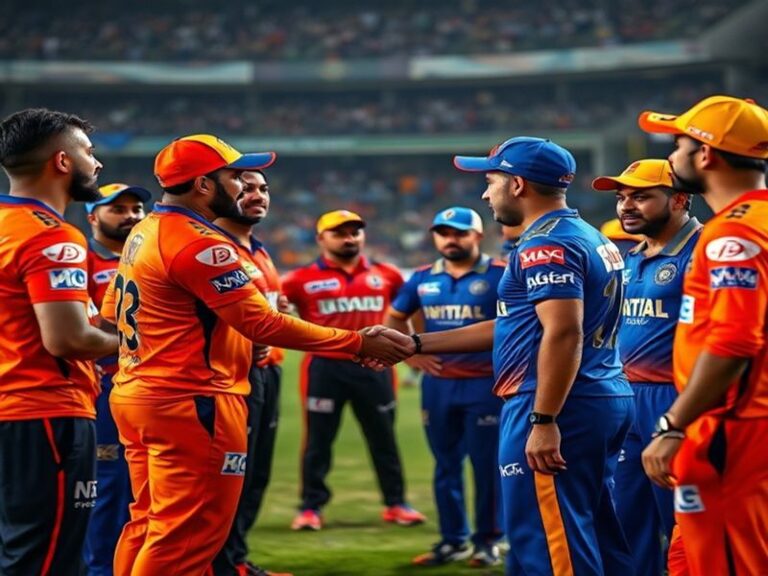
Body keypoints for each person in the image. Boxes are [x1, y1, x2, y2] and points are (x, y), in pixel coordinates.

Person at [100, 134, 412, 576]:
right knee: (186, 533)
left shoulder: (144, 232)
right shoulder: (201, 243)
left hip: (141, 392)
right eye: (234, 177)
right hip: (193, 400)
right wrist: (358, 342)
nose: (244, 187)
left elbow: (113, 315)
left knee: (148, 521)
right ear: (204, 185)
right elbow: (262, 324)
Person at [406, 137, 635, 575]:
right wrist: (418, 343)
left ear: (517, 185)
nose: (484, 193)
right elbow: (518, 324)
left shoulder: (544, 245)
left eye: (491, 181)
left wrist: (544, 419)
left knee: (548, 541)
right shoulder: (584, 233)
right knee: (594, 531)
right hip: (598, 393)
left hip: (555, 401)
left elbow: (563, 331)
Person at [639, 95, 768, 575]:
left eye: (677, 144)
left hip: (730, 428)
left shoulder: (733, 236)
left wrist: (673, 425)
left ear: (706, 155)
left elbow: (735, 342)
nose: (671, 156)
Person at [0, 108, 119, 575]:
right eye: (88, 152)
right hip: (44, 413)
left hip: (11, 412)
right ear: (63, 162)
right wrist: (141, 340)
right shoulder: (52, 238)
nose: (98, 163)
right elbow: (69, 339)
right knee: (49, 558)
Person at [282, 209, 427, 531]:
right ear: (321, 239)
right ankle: (310, 507)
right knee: (319, 441)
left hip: (376, 369)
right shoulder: (299, 279)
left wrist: (417, 346)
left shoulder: (387, 274)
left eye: (355, 232)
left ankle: (396, 504)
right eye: (340, 233)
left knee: (384, 439)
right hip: (325, 369)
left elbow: (411, 309)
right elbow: (268, 308)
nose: (349, 238)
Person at [592, 159, 702, 576]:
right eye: (622, 198)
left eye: (640, 196)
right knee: (625, 523)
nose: (626, 206)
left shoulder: (702, 252)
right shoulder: (630, 259)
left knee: (684, 525)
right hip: (627, 399)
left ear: (679, 199)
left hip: (679, 402)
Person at [385, 207, 506, 567]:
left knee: (487, 468)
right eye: (443, 233)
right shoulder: (422, 278)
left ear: (477, 236)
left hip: (486, 385)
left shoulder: (500, 275)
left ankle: (488, 540)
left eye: (459, 233)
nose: (450, 240)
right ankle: (452, 540)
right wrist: (411, 357)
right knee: (445, 465)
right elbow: (394, 317)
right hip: (438, 387)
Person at [212, 170, 291, 576]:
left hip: (268, 370)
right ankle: (221, 564)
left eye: (263, 188)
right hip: (234, 377)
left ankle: (236, 560)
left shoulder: (258, 249)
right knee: (230, 477)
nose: (257, 195)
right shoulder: (215, 249)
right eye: (246, 187)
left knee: (255, 474)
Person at [82, 183, 151, 576]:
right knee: (107, 483)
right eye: (118, 209)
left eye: (136, 208)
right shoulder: (84, 263)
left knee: (141, 486)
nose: (131, 216)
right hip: (104, 386)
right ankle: (100, 568)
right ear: (93, 216)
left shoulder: (147, 258)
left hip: (147, 388)